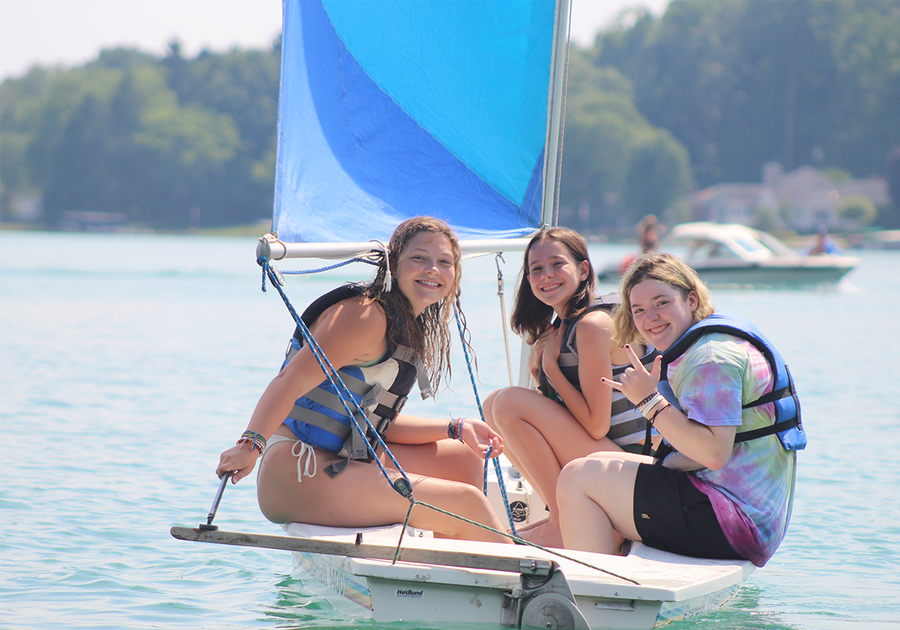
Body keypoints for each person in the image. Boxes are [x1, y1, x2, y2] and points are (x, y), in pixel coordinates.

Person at [216, 217, 510, 543]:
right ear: (393, 265)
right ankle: (524, 581)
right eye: (419, 258)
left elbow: (374, 426)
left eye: (445, 262)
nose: (432, 269)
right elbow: (290, 382)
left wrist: (456, 428)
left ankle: (451, 569)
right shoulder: (365, 315)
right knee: (466, 504)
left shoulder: (403, 324)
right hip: (298, 472)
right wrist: (250, 445)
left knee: (462, 459)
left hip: (341, 461)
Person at [556, 253, 802, 566]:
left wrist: (648, 401)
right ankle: (612, 571)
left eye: (662, 303)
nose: (650, 318)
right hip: (743, 515)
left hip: (732, 523)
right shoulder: (711, 343)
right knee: (595, 463)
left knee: (578, 479)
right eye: (639, 310)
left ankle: (597, 596)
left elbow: (713, 453)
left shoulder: (710, 358)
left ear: (691, 299)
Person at [483, 228, 658, 547]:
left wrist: (551, 368)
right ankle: (566, 515)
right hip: (608, 464)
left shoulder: (593, 325)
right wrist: (540, 376)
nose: (546, 275)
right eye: (536, 269)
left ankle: (563, 522)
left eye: (556, 264)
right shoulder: (562, 326)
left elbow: (595, 424)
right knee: (493, 406)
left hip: (639, 470)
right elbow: (567, 417)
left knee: (508, 402)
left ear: (583, 270)